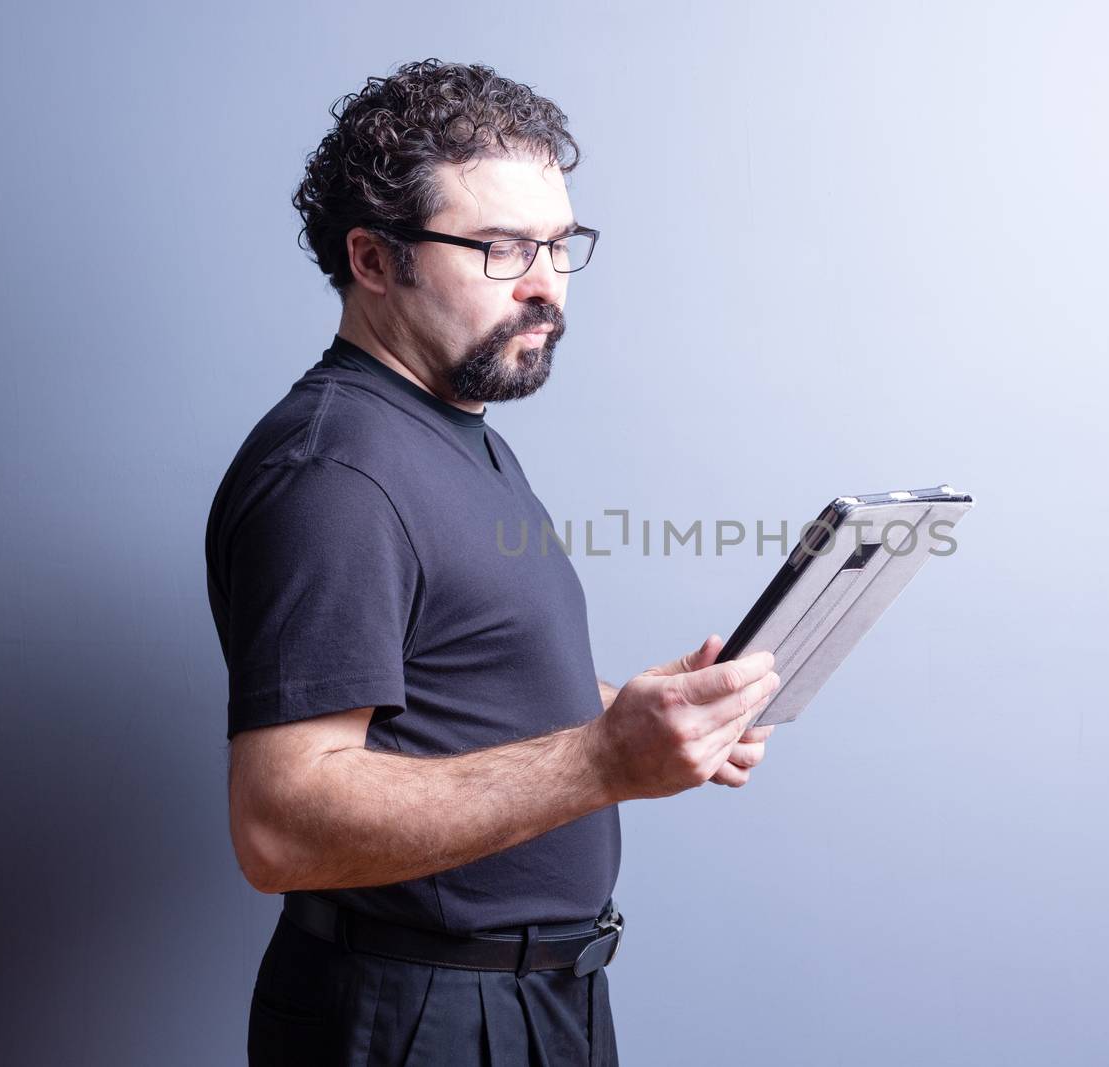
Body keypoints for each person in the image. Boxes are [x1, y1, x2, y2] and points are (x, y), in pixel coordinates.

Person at [204, 59, 781, 1066]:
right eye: (499, 247)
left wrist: (628, 710)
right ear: (374, 261)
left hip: (531, 999)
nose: (543, 282)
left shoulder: (451, 426)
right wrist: (605, 758)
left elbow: (440, 685)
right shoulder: (335, 472)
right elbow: (280, 825)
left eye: (559, 244)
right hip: (416, 1013)